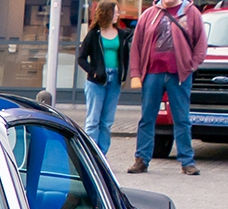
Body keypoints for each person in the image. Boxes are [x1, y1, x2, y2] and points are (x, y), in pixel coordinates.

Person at [127, 0, 208, 174]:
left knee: (182, 119)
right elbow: (136, 46)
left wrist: (191, 65)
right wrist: (135, 73)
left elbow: (201, 43)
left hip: (179, 74)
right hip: (152, 73)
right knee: (147, 118)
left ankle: (187, 162)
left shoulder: (191, 12)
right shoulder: (148, 14)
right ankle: (141, 159)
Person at [76, 1, 131, 152]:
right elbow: (81, 58)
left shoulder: (121, 34)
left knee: (107, 121)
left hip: (115, 79)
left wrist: (123, 74)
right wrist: (92, 71)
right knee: (93, 120)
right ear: (107, 13)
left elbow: (125, 57)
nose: (118, 15)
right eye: (115, 12)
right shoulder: (94, 34)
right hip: (97, 81)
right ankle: (91, 154)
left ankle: (102, 154)